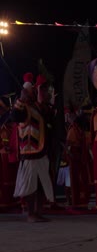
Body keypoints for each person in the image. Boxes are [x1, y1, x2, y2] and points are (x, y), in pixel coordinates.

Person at [11, 73, 55, 222]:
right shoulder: (23, 108)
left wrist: (45, 103)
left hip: (41, 151)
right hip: (30, 152)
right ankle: (31, 214)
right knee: (31, 185)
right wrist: (21, 100)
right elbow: (15, 116)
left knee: (42, 183)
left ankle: (38, 212)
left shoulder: (38, 108)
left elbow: (49, 122)